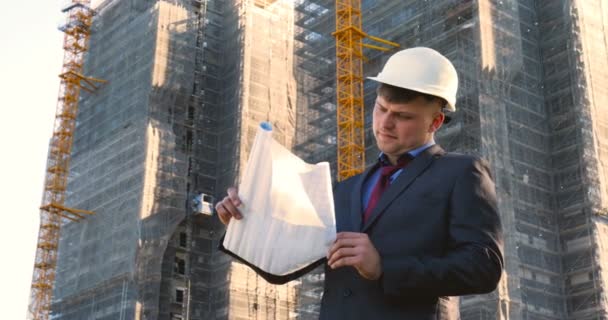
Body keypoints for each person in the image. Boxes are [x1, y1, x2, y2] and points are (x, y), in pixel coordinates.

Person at [215, 47, 503, 320]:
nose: (385, 124)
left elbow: (483, 268)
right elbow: (284, 270)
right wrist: (244, 224)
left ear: (435, 122)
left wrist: (384, 268)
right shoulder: (346, 189)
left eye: (402, 116)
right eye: (381, 109)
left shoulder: (462, 172)